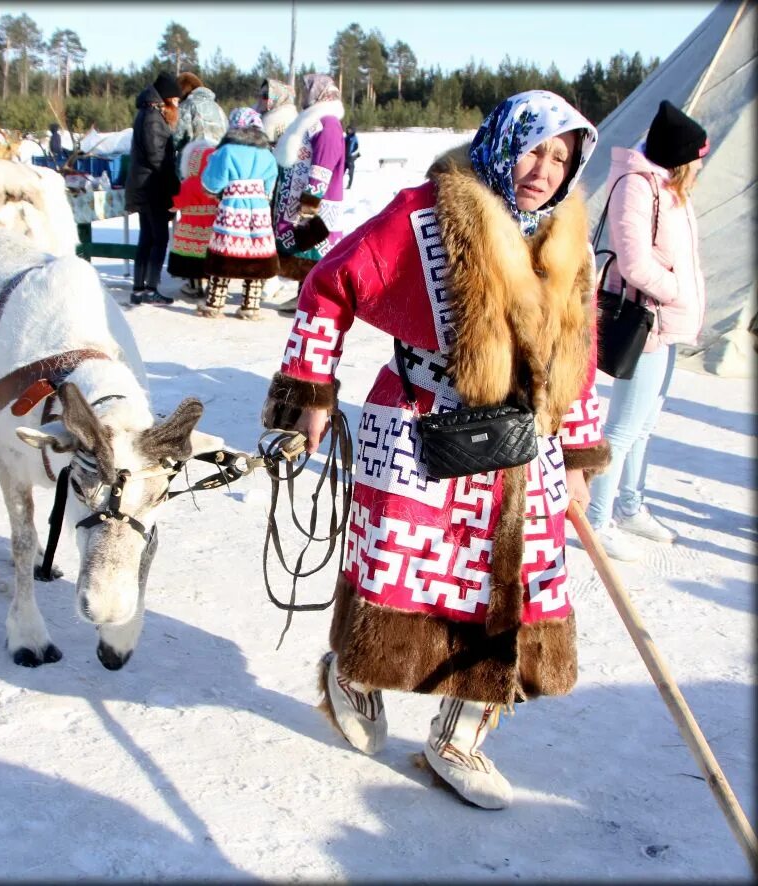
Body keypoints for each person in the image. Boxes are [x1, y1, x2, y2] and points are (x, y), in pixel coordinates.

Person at [259, 91, 606, 810]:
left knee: (515, 593)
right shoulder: (425, 215)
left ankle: (459, 739)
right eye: (535, 148)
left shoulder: (567, 245)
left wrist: (576, 459)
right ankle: (351, 672)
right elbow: (329, 287)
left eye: (561, 157)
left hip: (525, 443)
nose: (545, 168)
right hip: (423, 422)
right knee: (397, 576)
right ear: (506, 141)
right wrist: (307, 394)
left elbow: (579, 354)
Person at [585, 100, 709, 561]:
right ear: (677, 157)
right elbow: (635, 262)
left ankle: (632, 505)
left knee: (645, 426)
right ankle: (598, 519)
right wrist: (678, 289)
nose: (698, 167)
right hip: (647, 320)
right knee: (622, 427)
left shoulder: (670, 187)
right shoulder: (637, 187)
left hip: (668, 319)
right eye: (695, 159)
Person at [198, 108, 279, 320]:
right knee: (256, 253)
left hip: (233, 206)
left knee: (224, 251)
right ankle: (250, 306)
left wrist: (216, 191)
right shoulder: (266, 154)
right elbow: (271, 183)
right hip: (259, 208)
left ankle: (214, 303)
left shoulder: (226, 152)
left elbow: (212, 182)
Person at [272, 74, 348, 287]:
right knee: (304, 252)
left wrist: (310, 202)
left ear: (319, 93)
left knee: (313, 248)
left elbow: (322, 165)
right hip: (303, 202)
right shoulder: (312, 122)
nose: (305, 95)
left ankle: (310, 296)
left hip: (317, 204)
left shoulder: (328, 124)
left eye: (308, 90)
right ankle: (302, 295)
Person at [124, 72, 182, 305]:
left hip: (146, 186)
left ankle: (140, 289)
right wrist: (173, 188)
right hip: (153, 188)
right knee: (158, 238)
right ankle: (149, 288)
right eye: (176, 101)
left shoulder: (147, 114)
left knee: (148, 237)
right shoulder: (152, 118)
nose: (177, 105)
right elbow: (158, 158)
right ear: (167, 99)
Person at [167, 136, 218, 300]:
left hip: (190, 228)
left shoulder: (188, 183)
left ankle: (194, 286)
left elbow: (177, 203)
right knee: (211, 258)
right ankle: (213, 285)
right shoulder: (216, 183)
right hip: (213, 228)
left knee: (191, 259)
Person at [172, 72, 227, 158]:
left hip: (193, 163)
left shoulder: (186, 107)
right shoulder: (219, 109)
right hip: (216, 160)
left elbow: (176, 139)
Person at [255, 78, 297, 146]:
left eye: (265, 96)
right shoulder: (261, 114)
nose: (260, 99)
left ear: (277, 97)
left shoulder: (276, 119)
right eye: (259, 95)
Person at [344, 125, 360, 189]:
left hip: (350, 158)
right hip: (345, 158)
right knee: (341, 172)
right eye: (348, 129)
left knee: (350, 173)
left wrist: (352, 155)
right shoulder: (346, 137)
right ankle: (338, 184)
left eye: (350, 129)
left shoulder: (354, 138)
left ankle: (349, 185)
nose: (349, 131)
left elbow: (357, 148)